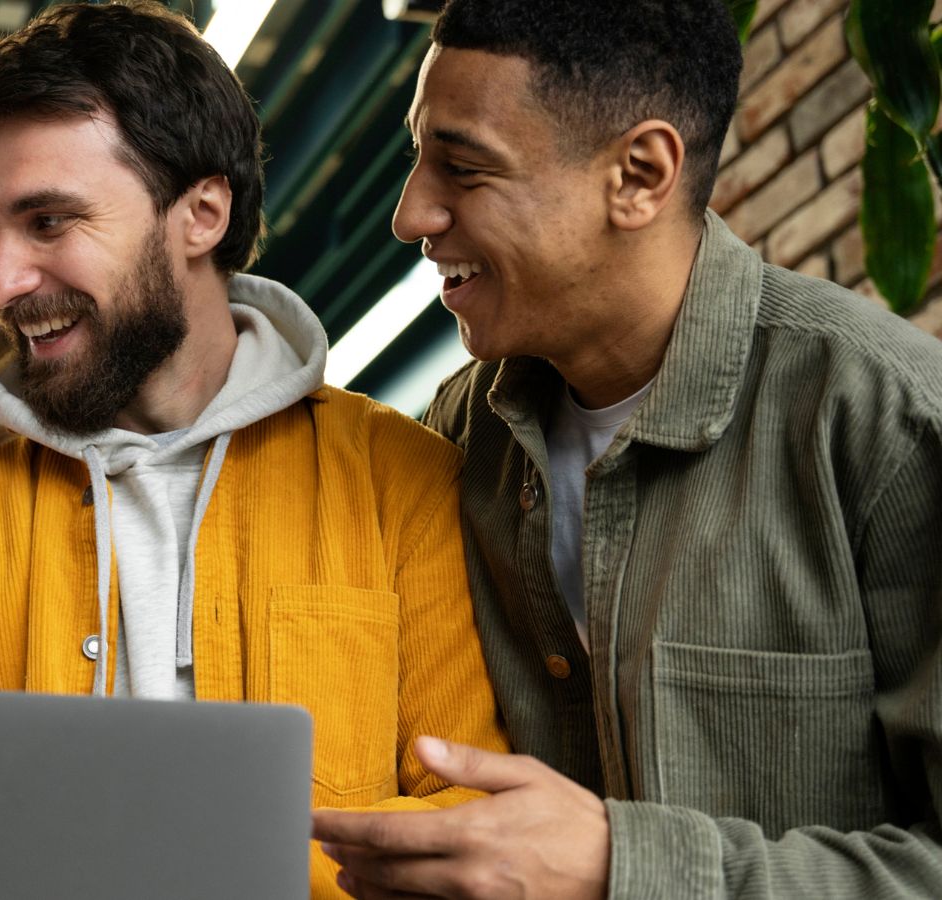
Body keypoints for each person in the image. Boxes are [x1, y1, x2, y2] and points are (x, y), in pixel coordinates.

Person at [0, 3, 507, 897]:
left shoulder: (401, 479)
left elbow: (467, 821)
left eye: (49, 221)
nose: (0, 280)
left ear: (200, 214)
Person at [305, 1, 942, 897]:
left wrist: (621, 867)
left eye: (462, 167)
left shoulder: (887, 421)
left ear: (639, 175)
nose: (411, 213)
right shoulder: (451, 446)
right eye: (418, 158)